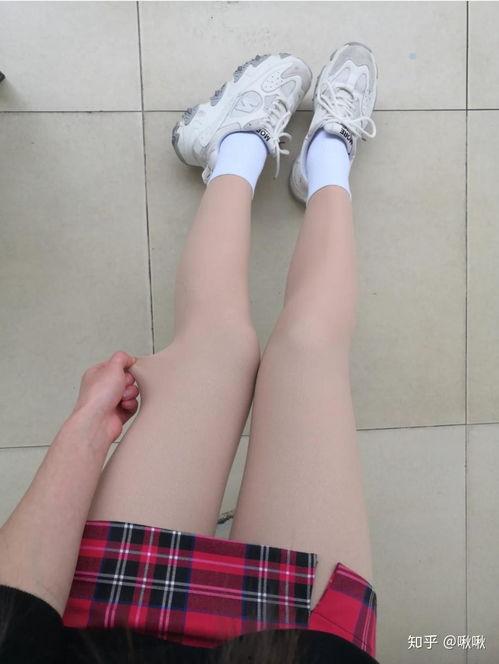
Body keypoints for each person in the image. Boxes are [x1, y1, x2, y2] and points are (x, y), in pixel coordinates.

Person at [0, 43, 379, 663]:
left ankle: (237, 144)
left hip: (104, 641)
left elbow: (12, 612)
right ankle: (327, 157)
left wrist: (86, 431)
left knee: (219, 346)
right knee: (311, 353)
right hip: (298, 655)